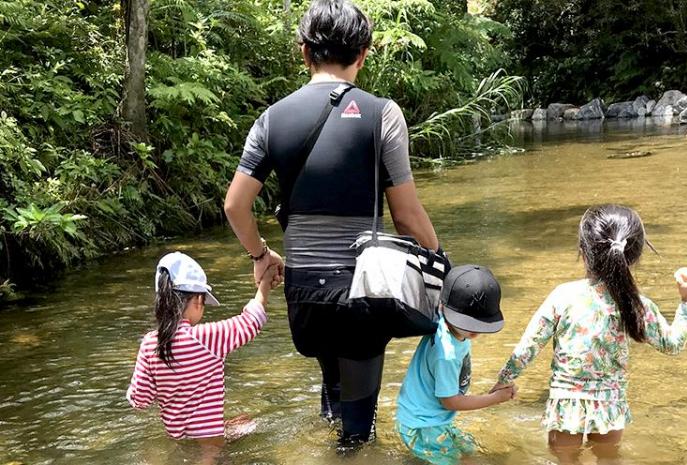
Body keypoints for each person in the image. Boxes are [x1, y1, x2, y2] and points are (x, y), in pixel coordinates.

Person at [223, 0, 441, 447]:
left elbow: (234, 207)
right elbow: (406, 215)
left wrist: (261, 255)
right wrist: (439, 265)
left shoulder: (270, 120)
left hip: (304, 294)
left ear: (304, 52)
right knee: (360, 433)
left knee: (333, 397)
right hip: (362, 293)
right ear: (363, 53)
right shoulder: (383, 115)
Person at [489, 204, 687, 464]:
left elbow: (528, 347)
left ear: (584, 253)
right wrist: (686, 301)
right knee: (609, 459)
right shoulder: (635, 303)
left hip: (567, 403)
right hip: (610, 406)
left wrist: (503, 381)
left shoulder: (563, 296)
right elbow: (673, 344)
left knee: (564, 459)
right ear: (633, 257)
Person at [127, 251, 276, 448]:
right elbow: (250, 321)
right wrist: (265, 283)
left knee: (244, 422)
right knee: (251, 426)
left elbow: (140, 400)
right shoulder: (207, 338)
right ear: (197, 300)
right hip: (210, 443)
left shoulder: (149, 345)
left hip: (179, 441)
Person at [396, 265, 517, 465]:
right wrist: (494, 398)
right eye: (469, 324)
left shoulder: (445, 321)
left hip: (427, 418)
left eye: (479, 324)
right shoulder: (446, 355)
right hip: (423, 425)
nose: (475, 331)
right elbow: (450, 402)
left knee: (470, 451)